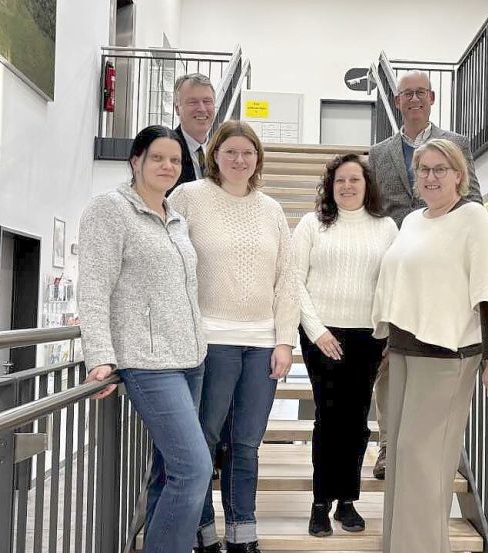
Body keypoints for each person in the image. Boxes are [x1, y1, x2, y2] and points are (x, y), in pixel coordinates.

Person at [371, 138, 488, 553]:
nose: (430, 177)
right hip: (402, 352)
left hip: (448, 356)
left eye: (439, 169)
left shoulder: (473, 218)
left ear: (458, 175)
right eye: (423, 170)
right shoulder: (413, 221)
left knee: (423, 460)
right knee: (399, 456)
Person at [169, 120, 300, 553]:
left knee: (246, 443)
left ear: (258, 159)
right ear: (215, 156)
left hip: (262, 344)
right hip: (209, 341)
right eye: (230, 152)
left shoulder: (272, 210)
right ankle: (203, 532)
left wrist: (285, 341)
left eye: (248, 152)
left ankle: (243, 532)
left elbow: (287, 280)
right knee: (203, 440)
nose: (239, 160)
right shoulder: (189, 198)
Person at [79, 125, 210, 553]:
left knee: (169, 472)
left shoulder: (176, 218)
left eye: (174, 160)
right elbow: (94, 286)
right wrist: (99, 355)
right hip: (147, 363)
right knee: (193, 469)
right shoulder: (110, 210)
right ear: (136, 161)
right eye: (158, 157)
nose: (168, 166)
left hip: (191, 359)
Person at [367, 70, 484, 479]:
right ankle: (387, 444)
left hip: (440, 273)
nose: (414, 99)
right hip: (396, 266)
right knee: (387, 364)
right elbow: (372, 208)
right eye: (406, 94)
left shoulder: (456, 145)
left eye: (420, 93)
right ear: (397, 102)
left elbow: (473, 199)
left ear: (432, 98)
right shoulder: (379, 153)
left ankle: (435, 443)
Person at [292, 154, 398, 537]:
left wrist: (386, 330)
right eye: (340, 180)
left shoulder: (386, 227)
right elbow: (293, 280)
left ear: (367, 185)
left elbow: (393, 283)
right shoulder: (311, 224)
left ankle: (347, 501)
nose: (348, 186)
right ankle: (321, 502)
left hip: (368, 337)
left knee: (356, 422)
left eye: (355, 179)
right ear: (330, 185)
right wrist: (317, 330)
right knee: (329, 418)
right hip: (322, 335)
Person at [171, 73, 216, 187]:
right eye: (193, 102)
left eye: (207, 101)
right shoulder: (165, 149)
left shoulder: (221, 150)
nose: (201, 108)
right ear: (177, 109)